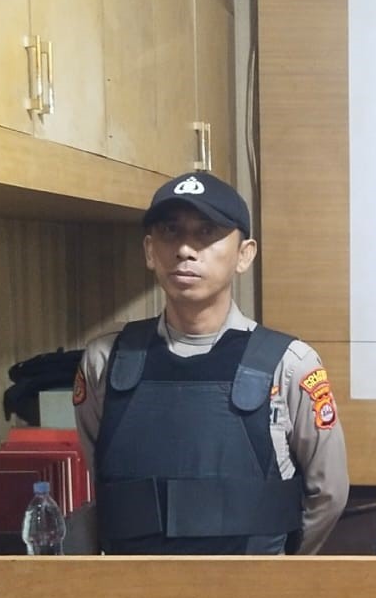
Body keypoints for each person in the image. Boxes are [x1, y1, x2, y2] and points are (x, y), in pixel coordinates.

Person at [74, 172, 348, 554]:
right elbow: (103, 483)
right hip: (134, 581)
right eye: (170, 231)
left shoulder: (289, 365)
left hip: (254, 583)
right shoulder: (105, 361)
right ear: (150, 251)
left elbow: (329, 494)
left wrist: (283, 574)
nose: (185, 249)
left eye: (207, 232)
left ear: (244, 254)